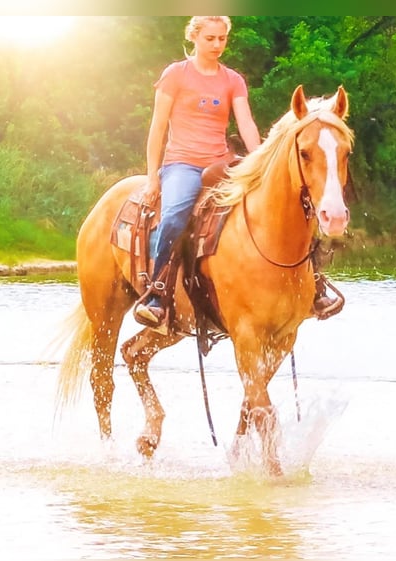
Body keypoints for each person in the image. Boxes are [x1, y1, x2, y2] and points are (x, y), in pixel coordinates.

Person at [133, 15, 338, 329]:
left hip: (221, 162)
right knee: (174, 214)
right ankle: (157, 294)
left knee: (288, 206)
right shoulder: (175, 75)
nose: (217, 45)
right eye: (210, 39)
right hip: (182, 164)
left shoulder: (232, 80)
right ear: (194, 37)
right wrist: (151, 177)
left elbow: (246, 124)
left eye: (222, 39)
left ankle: (314, 286)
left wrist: (260, 162)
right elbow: (157, 129)